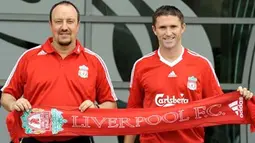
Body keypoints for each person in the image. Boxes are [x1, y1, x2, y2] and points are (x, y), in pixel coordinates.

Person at [124, 5, 253, 143]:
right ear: (154, 30)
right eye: (162, 28)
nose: (168, 33)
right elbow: (133, 113)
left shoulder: (201, 64)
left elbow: (219, 107)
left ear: (183, 28)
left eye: (173, 27)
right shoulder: (141, 65)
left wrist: (241, 98)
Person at [1, 1, 117, 143]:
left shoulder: (94, 61)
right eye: (58, 21)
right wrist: (14, 104)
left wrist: (96, 108)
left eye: (70, 21)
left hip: (79, 138)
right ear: (51, 24)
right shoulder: (29, 58)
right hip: (34, 137)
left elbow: (111, 105)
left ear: (77, 25)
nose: (64, 27)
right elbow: (6, 96)